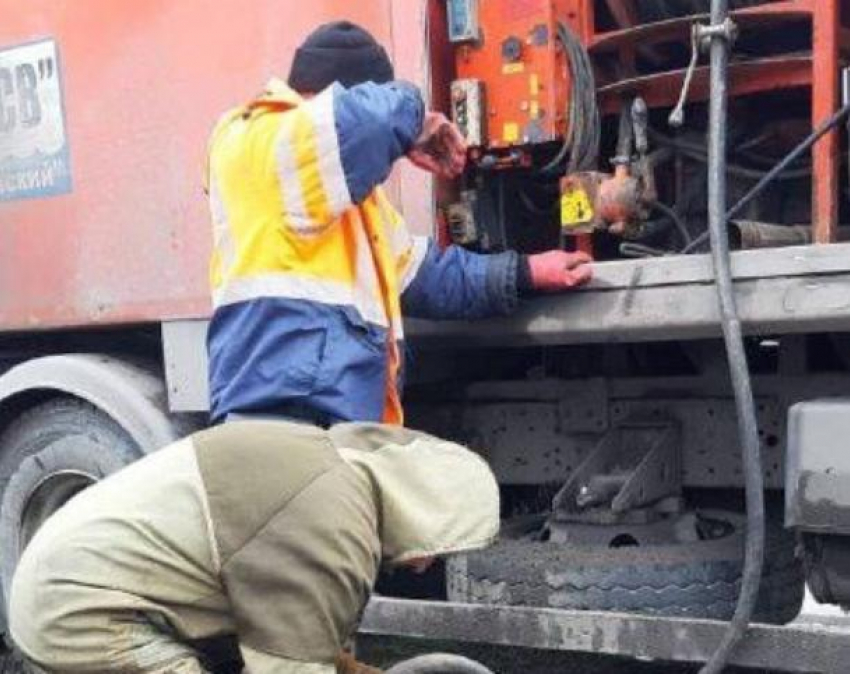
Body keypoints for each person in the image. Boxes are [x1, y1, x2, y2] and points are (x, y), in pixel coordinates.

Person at [206, 21, 593, 428]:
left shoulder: (350, 202)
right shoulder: (257, 139)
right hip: (281, 420)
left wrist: (526, 272)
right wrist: (416, 116)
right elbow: (370, 122)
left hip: (329, 425)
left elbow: (424, 277)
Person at [8, 421, 499, 673]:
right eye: (441, 545)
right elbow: (290, 666)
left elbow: (300, 641)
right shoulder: (331, 529)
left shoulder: (325, 465)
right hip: (77, 613)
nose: (425, 566)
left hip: (64, 586)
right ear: (426, 506)